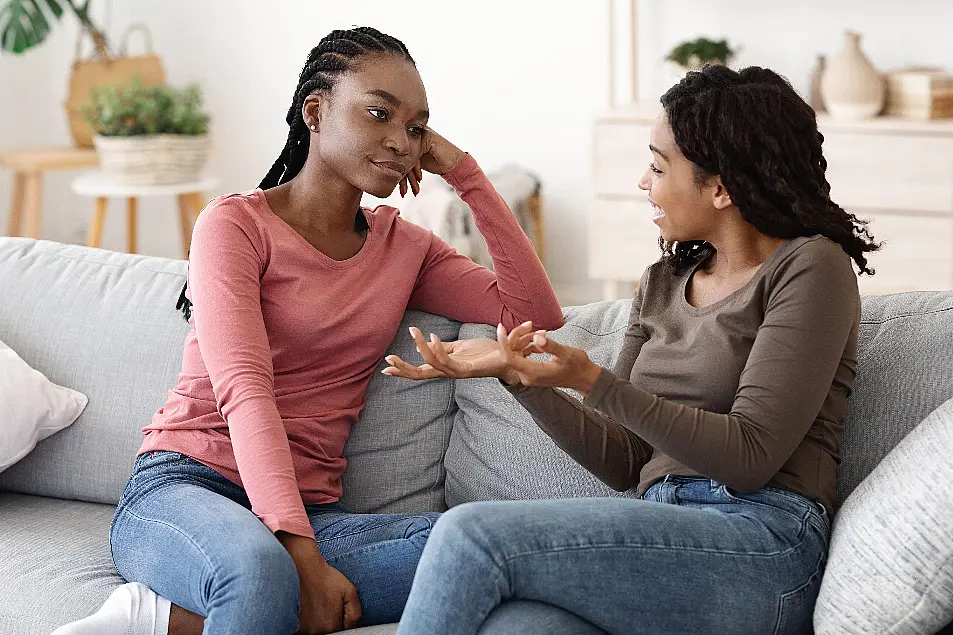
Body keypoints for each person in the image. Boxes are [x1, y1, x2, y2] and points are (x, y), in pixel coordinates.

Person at [53, 26, 563, 635]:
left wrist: (465, 172)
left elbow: (532, 313)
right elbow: (245, 388)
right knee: (259, 572)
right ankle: (226, 599)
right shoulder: (234, 225)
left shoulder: (406, 248)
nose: (400, 141)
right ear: (315, 111)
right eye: (378, 114)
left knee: (494, 549)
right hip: (187, 490)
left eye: (416, 128)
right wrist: (301, 557)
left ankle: (163, 621)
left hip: (313, 513)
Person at [383, 65, 879, 635]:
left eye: (659, 166)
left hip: (763, 541)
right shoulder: (664, 281)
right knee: (519, 626)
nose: (645, 182)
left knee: (467, 534)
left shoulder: (810, 267)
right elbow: (624, 462)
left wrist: (595, 382)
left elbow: (751, 456)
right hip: (658, 525)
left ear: (720, 187)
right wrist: (519, 376)